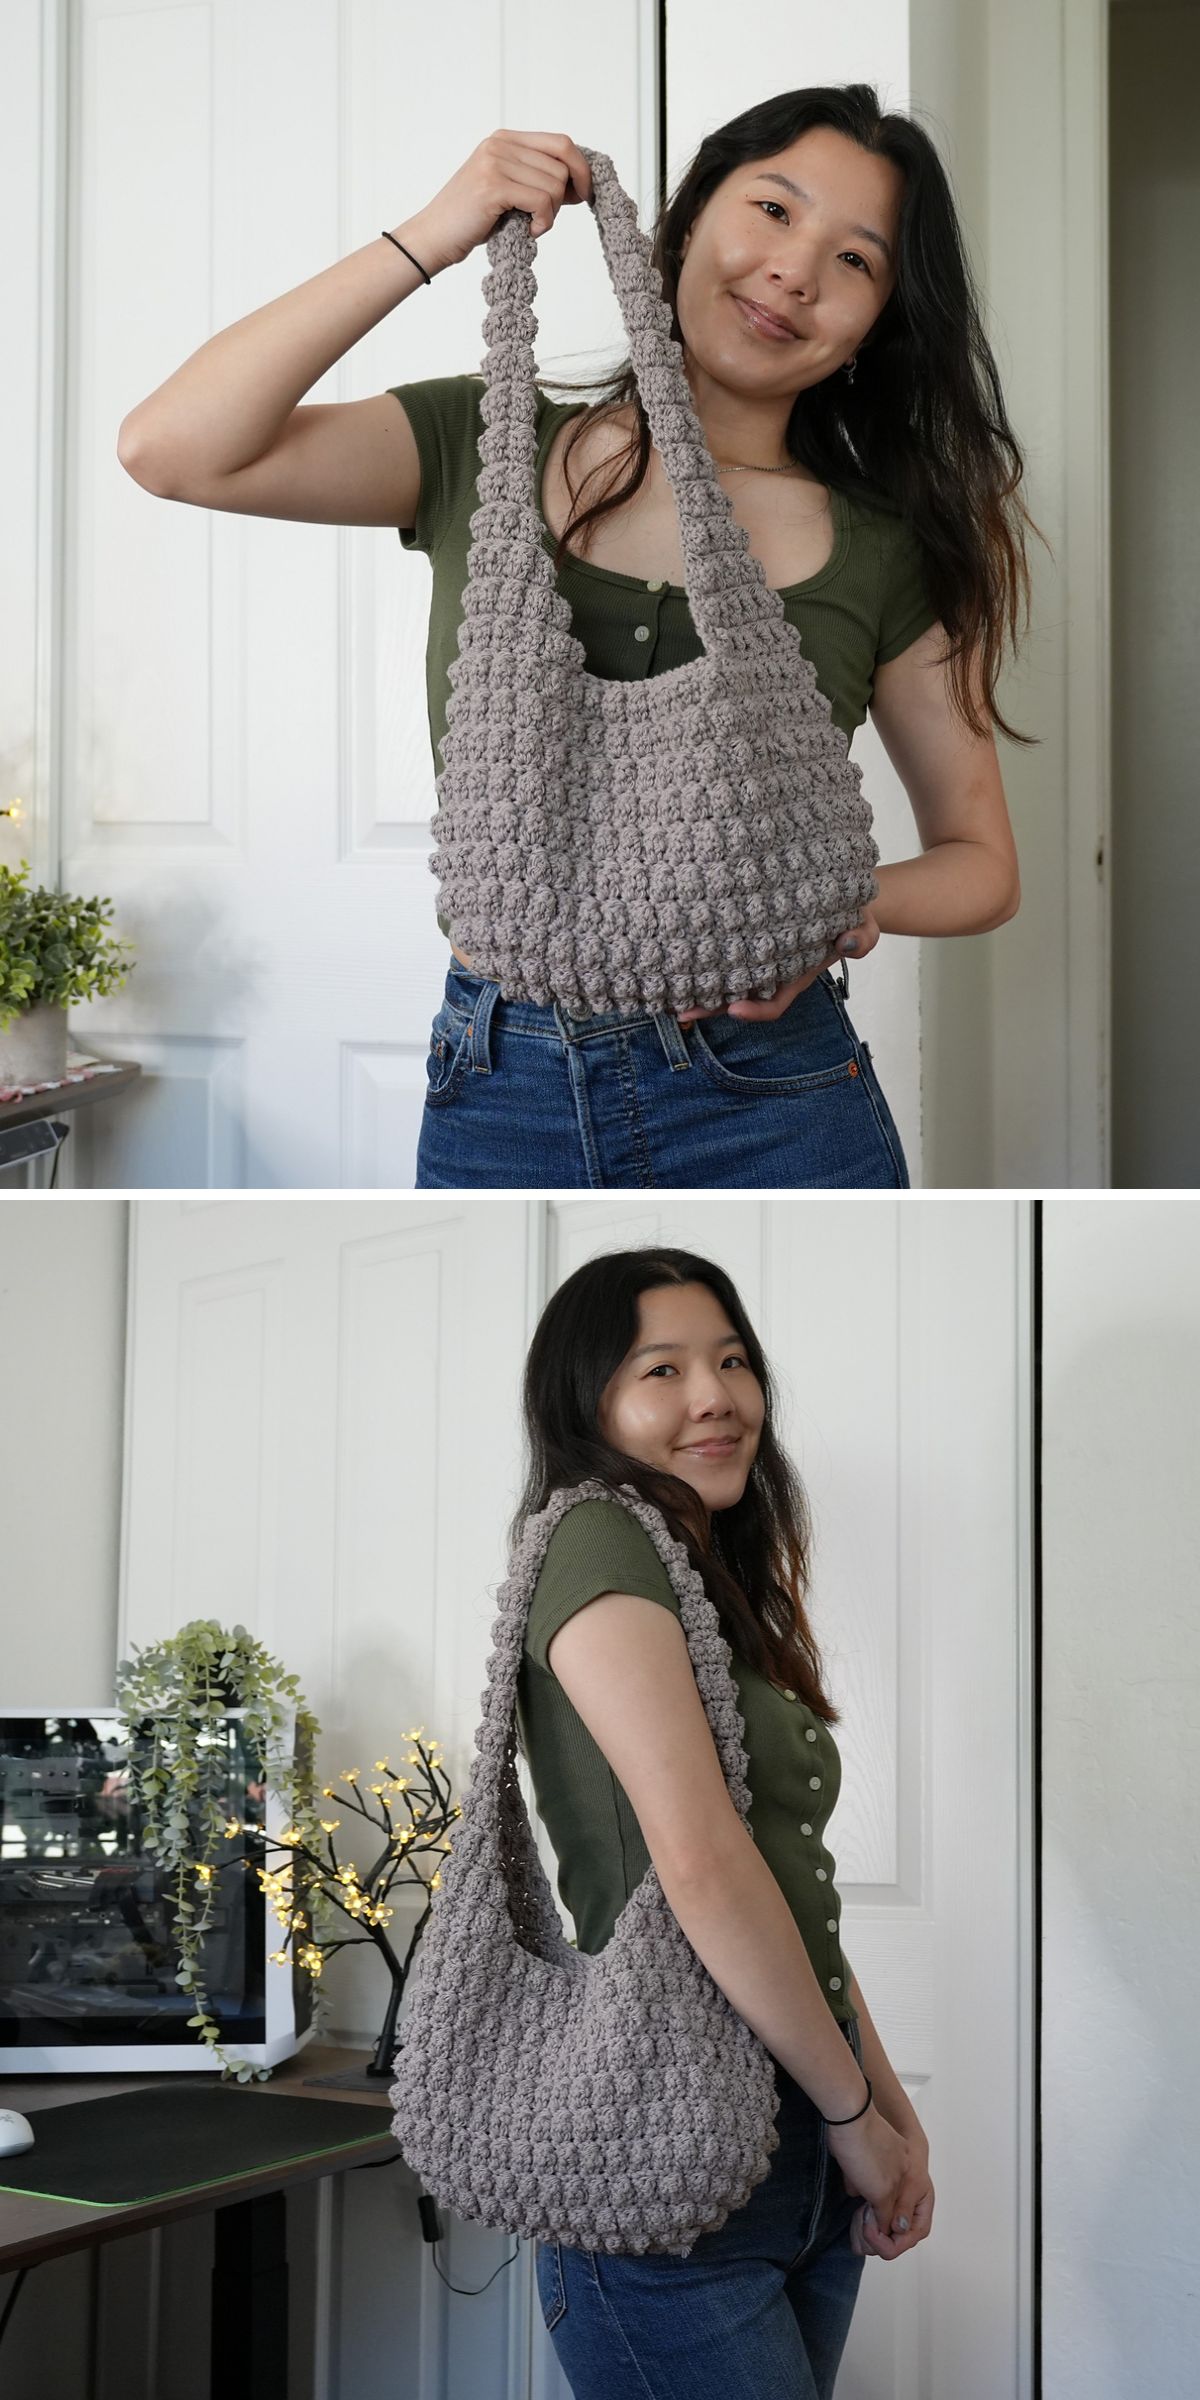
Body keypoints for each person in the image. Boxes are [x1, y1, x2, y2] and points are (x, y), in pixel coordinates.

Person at [118, 86, 1032, 1191]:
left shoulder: (884, 548)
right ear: (687, 222)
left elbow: (982, 867)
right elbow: (171, 449)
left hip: (773, 1097)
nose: (797, 271)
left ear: (876, 327)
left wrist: (829, 905)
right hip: (505, 1081)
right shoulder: (479, 443)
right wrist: (433, 235)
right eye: (776, 211)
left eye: (857, 261)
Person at [511, 1244, 934, 2397]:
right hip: (667, 2156)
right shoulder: (596, 1539)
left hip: (798, 2147)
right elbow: (698, 1865)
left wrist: (882, 2113)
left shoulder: (701, 1587)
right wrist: (857, 2115)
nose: (717, 1395)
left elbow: (790, 1887)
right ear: (586, 1402)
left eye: (733, 1359)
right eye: (664, 1369)